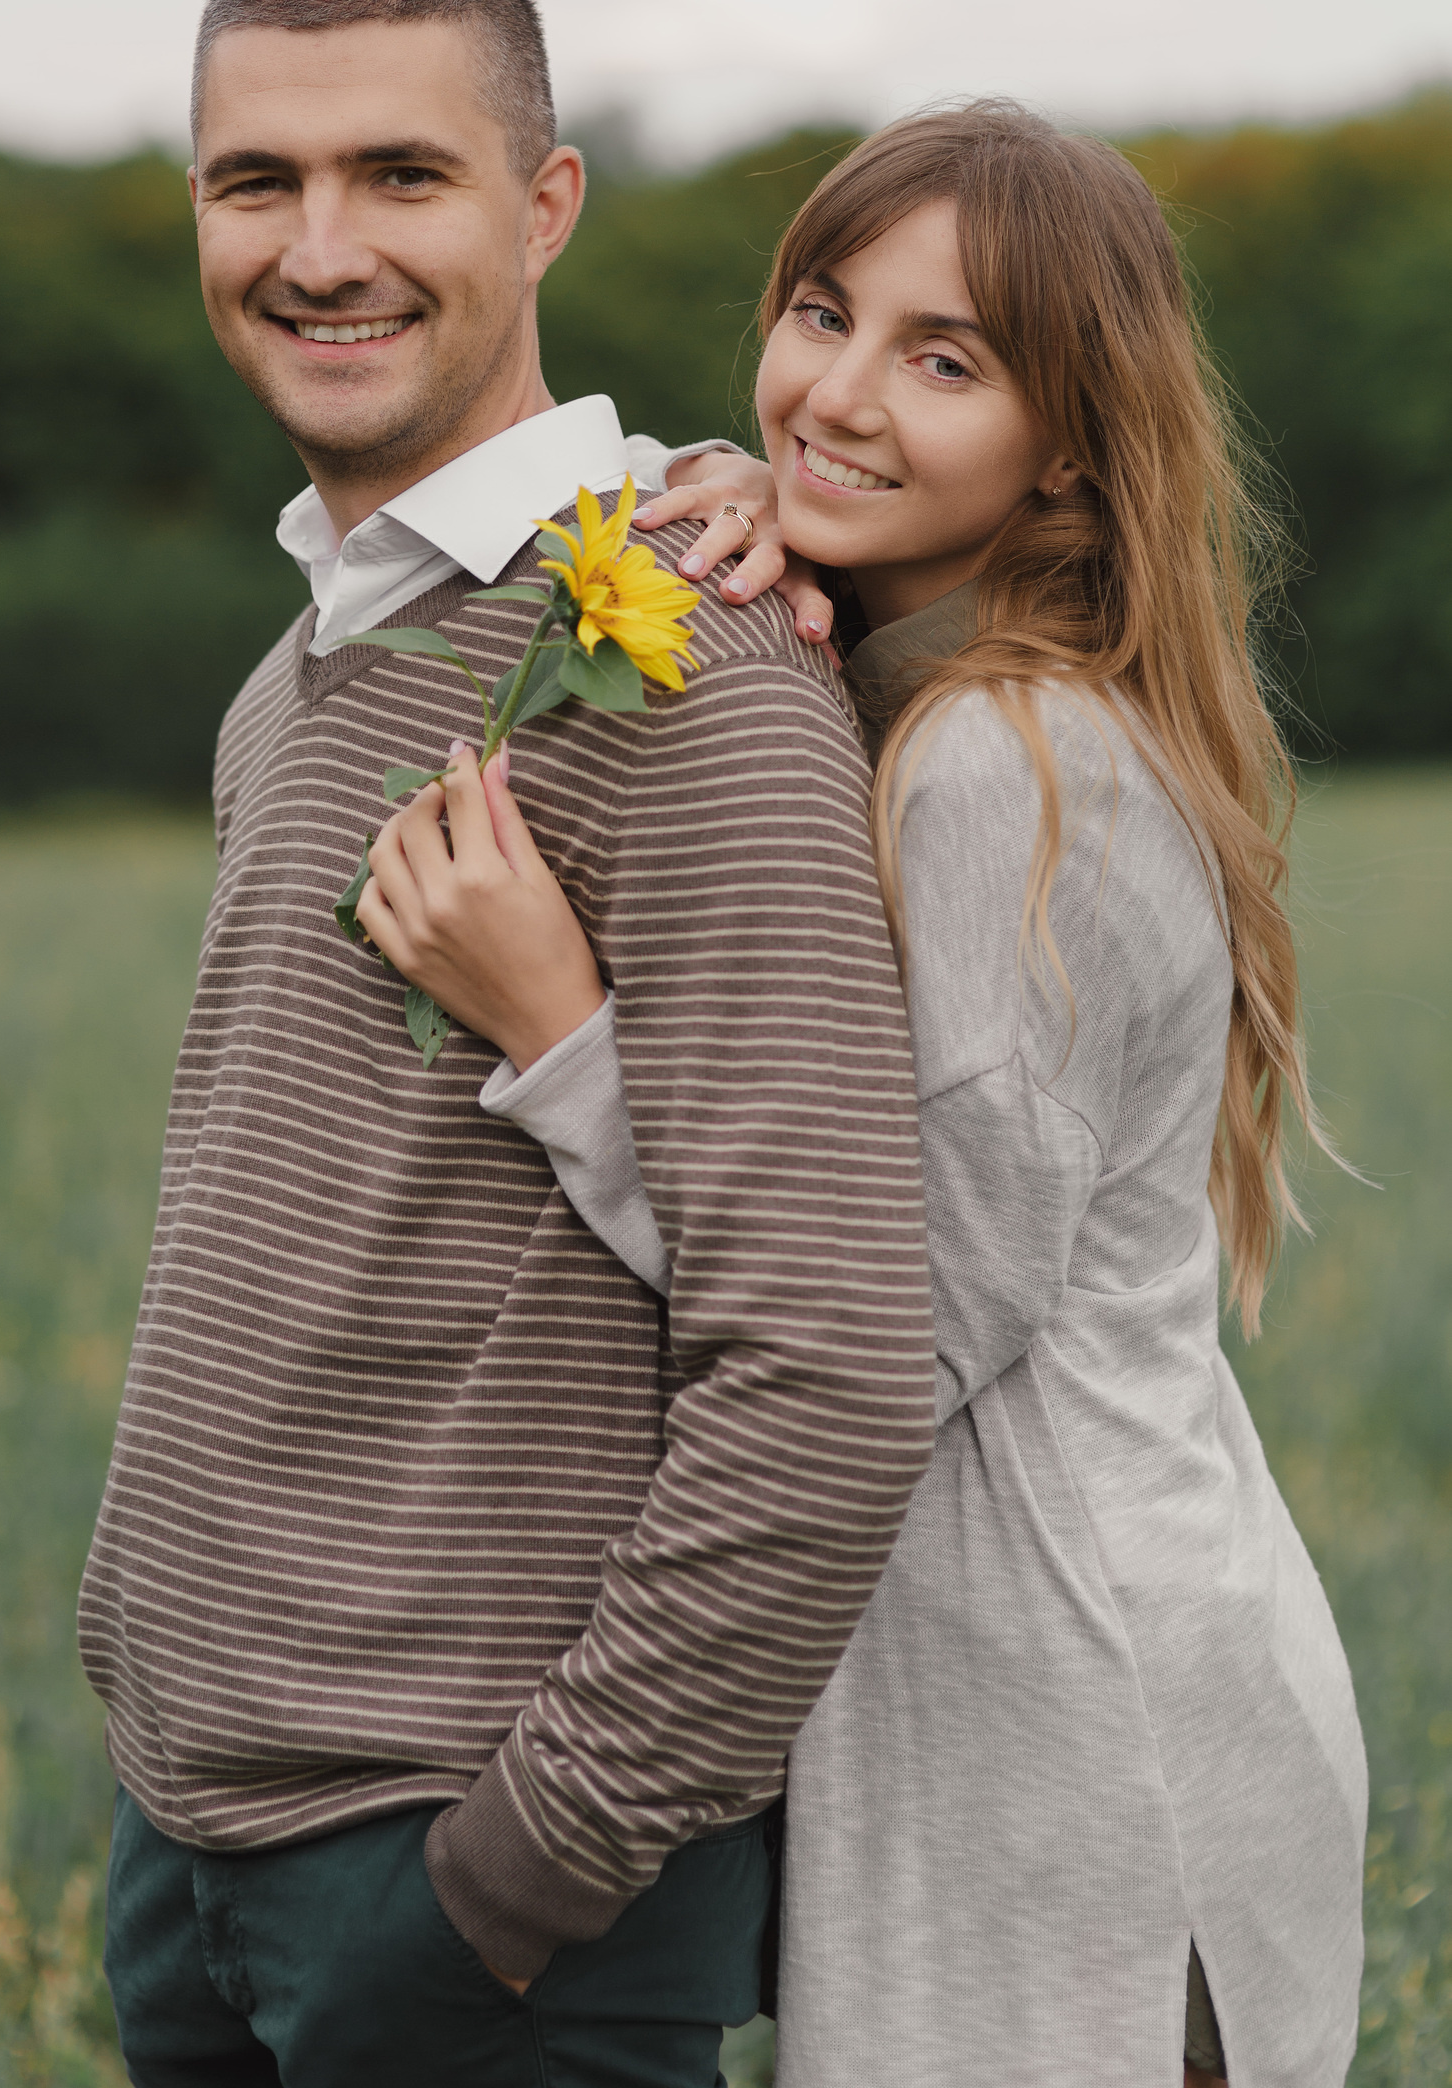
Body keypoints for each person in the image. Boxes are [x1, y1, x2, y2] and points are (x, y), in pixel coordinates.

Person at [362, 102, 1369, 2088]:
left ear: (1067, 443)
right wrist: (755, 504)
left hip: (1075, 1740)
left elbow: (882, 1328)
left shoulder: (1006, 764)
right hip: (1048, 1692)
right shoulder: (944, 695)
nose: (838, 391)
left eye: (944, 360)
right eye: (822, 314)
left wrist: (556, 1031)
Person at [77, 0, 937, 2088]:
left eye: (401, 173)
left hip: (468, 1887)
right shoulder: (299, 671)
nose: (319, 248)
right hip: (197, 1846)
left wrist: (529, 1868)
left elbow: (830, 1364)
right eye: (255, 181)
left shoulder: (691, 665)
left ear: (543, 207)